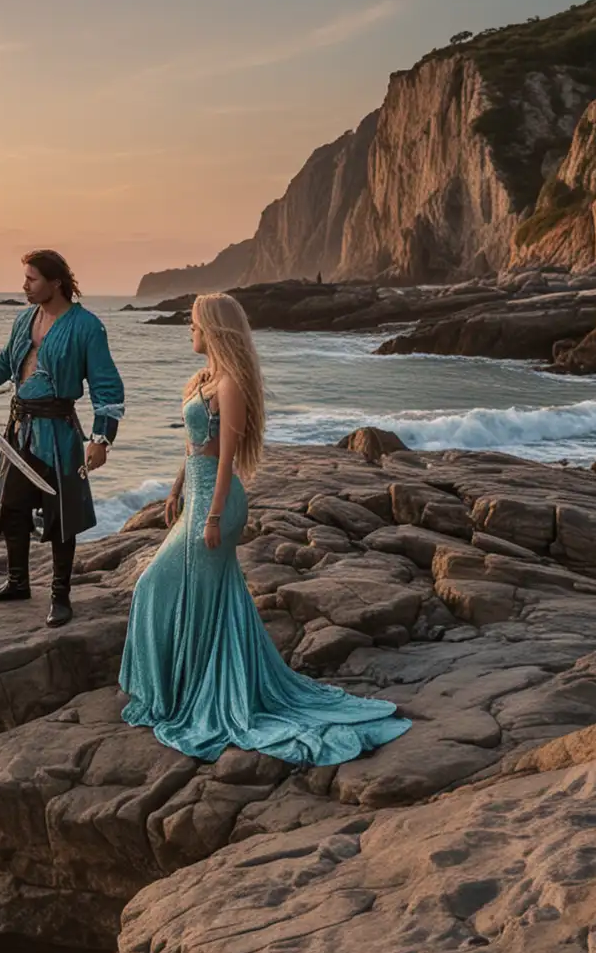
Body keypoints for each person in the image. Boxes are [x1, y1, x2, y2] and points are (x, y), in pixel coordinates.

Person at [118, 291, 411, 763]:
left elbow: (227, 460)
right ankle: (176, 693)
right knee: (191, 594)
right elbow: (193, 447)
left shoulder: (231, 386)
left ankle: (195, 696)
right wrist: (174, 490)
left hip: (218, 502)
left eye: (194, 323)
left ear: (214, 328)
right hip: (194, 496)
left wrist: (212, 515)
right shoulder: (199, 380)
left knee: (159, 585)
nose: (189, 330)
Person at [0, 249, 125, 627]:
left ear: (56, 283)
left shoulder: (87, 327)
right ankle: (18, 582)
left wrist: (101, 439)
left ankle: (60, 596)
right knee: (12, 506)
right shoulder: (23, 319)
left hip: (58, 433)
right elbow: (4, 364)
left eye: (32, 279)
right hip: (20, 429)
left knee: (60, 515)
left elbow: (107, 386)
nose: (24, 286)